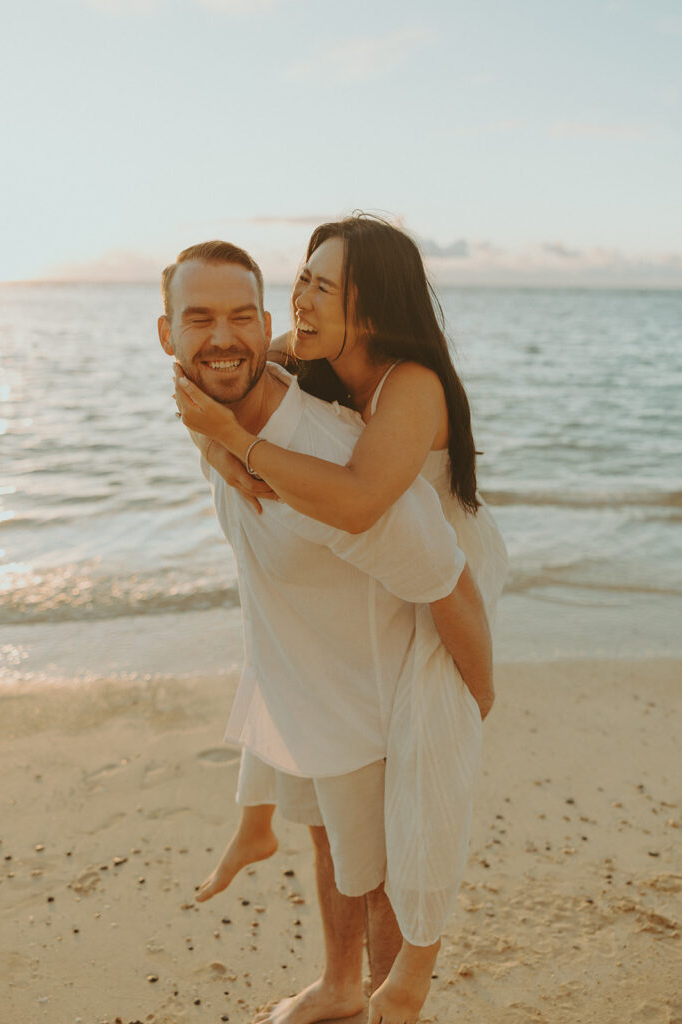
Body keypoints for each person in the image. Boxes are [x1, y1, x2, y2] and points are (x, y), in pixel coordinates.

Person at [161, 237, 495, 1024]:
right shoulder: (285, 354)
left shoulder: (408, 387)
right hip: (384, 587)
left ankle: (396, 990)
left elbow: (359, 502)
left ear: (371, 311)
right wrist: (218, 442)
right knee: (329, 831)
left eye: (324, 289)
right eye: (300, 282)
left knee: (413, 821)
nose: (301, 301)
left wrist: (477, 688)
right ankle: (342, 984)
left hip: (446, 584)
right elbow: (218, 363)